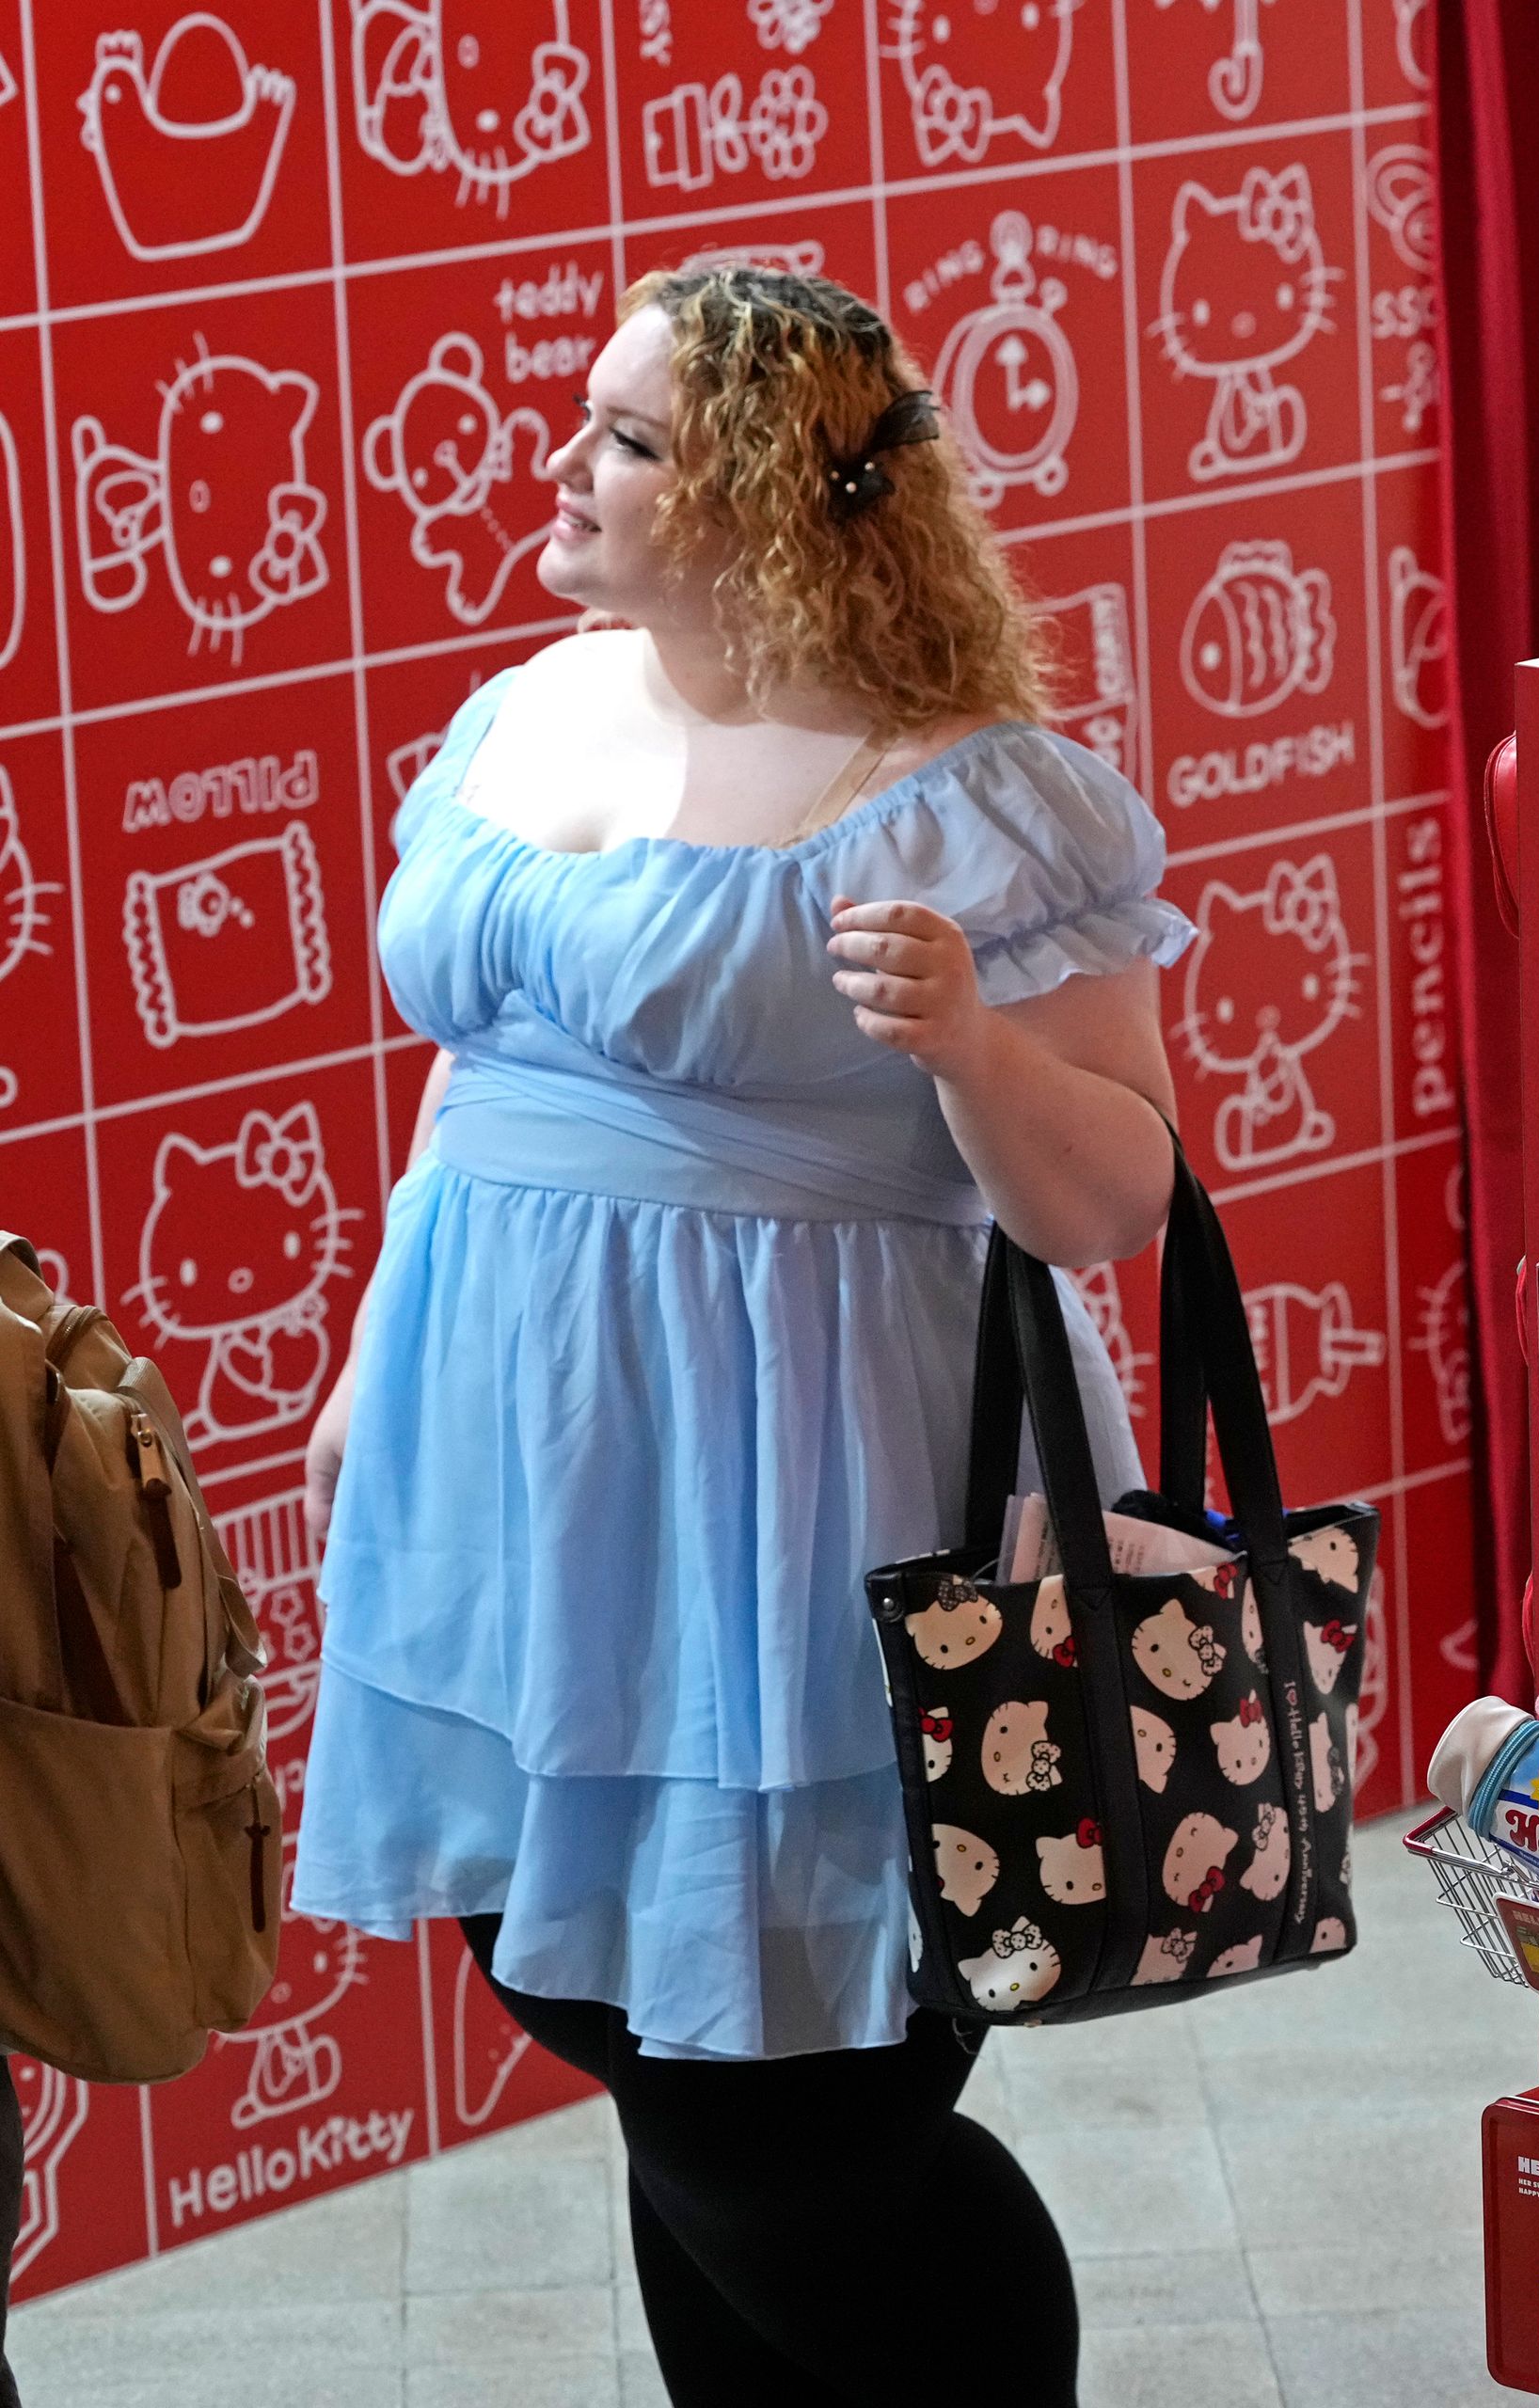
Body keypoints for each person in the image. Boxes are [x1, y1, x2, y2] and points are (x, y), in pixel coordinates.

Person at [294, 264, 1189, 2406]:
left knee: (791, 2113)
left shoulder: (973, 793)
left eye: (626, 436)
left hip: (808, 1495)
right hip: (531, 1475)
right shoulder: (528, 709)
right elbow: (483, 1060)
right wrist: (366, 1353)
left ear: (772, 492)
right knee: (635, 2029)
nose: (565, 463)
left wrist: (971, 1038)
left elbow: (1111, 1193)